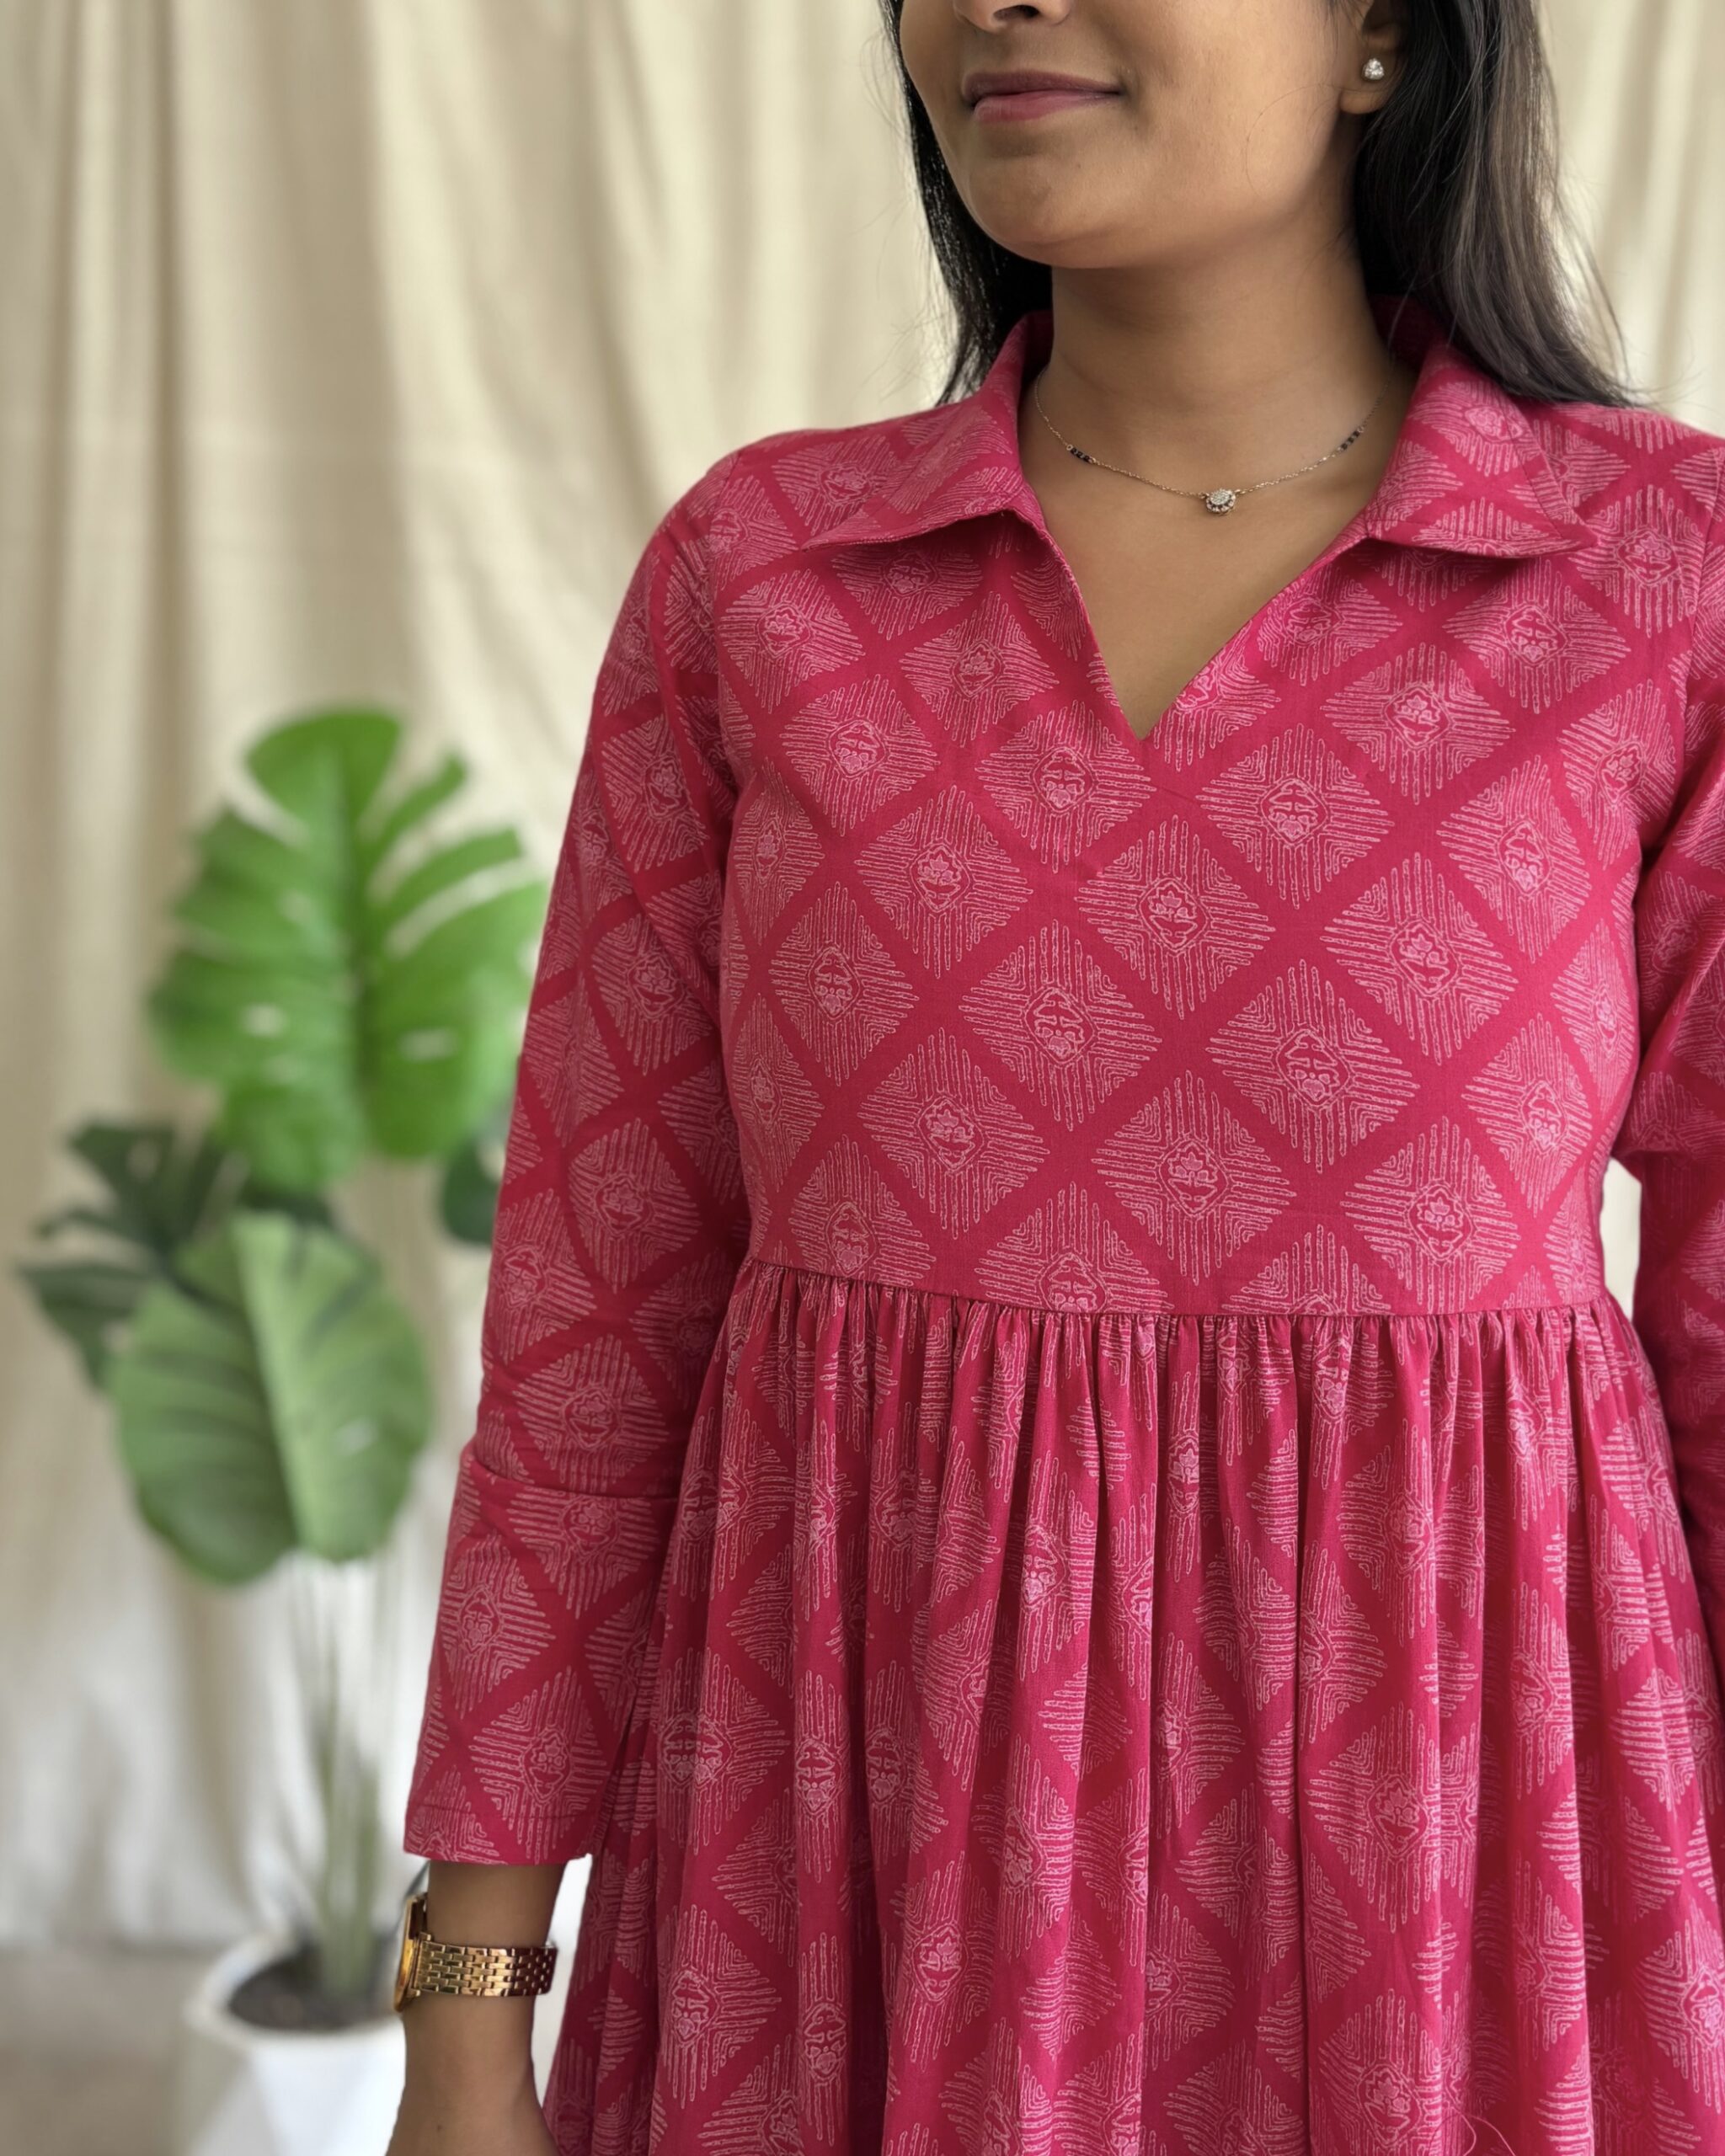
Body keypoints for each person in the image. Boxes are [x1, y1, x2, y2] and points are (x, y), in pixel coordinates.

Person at [387, 0, 1725, 2150]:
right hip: (836, 1891)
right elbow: (593, 1331)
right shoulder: (766, 580)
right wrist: (466, 2013)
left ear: (1383, 35)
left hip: (1460, 1916)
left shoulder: (1656, 579)